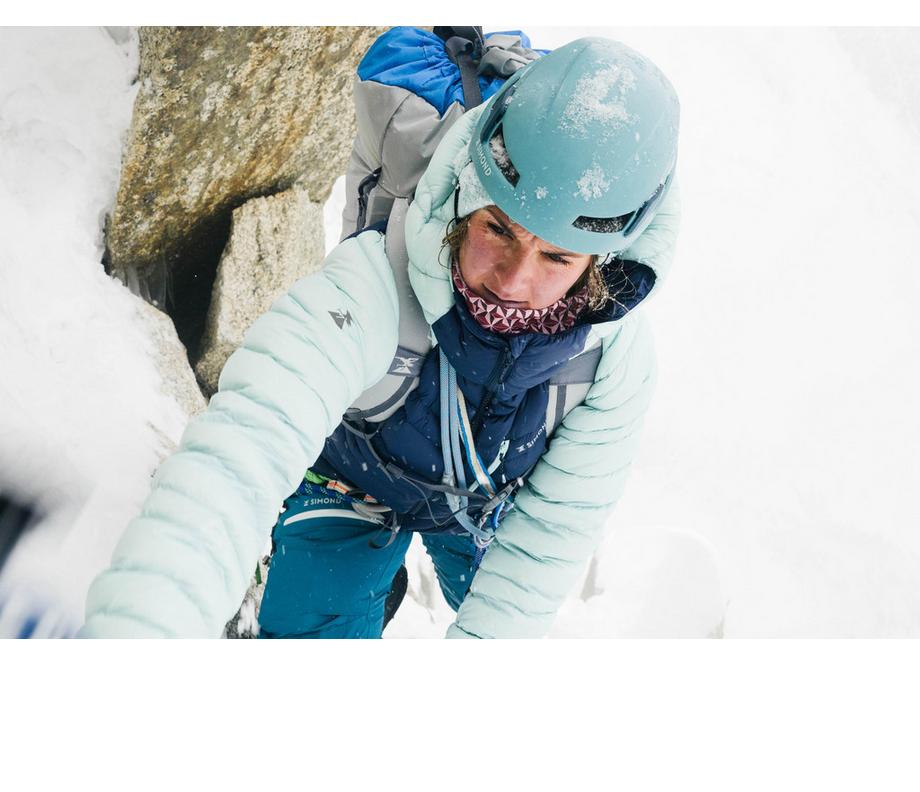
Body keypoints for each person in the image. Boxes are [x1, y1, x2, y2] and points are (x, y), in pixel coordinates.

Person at [78, 35, 681, 639]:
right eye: (498, 229)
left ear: (603, 264)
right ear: (467, 200)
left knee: (511, 618)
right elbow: (238, 456)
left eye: (557, 257)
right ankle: (340, 574)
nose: (513, 281)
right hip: (351, 477)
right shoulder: (372, 284)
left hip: (487, 507)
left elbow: (546, 540)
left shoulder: (610, 361)